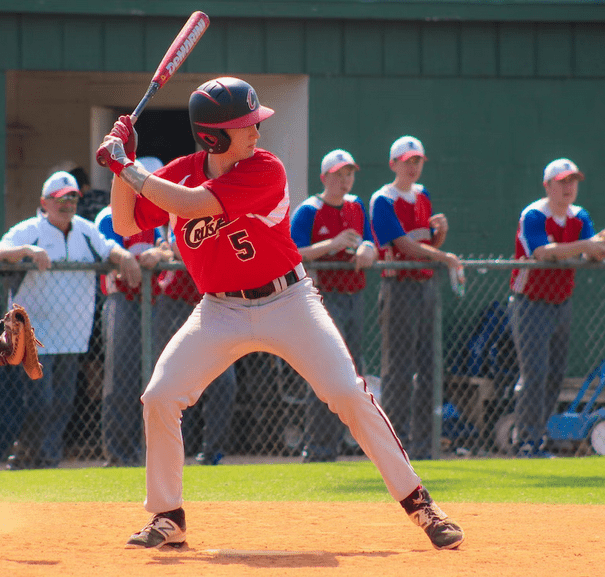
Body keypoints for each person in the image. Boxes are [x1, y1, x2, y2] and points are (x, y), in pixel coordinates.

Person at [96, 76, 464, 551]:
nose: (257, 131)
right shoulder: (179, 171)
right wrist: (117, 164)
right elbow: (126, 222)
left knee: (347, 394)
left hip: (289, 302)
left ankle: (421, 504)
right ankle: (168, 516)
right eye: (246, 125)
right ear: (213, 135)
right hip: (220, 309)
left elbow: (190, 205)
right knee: (161, 396)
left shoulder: (264, 169)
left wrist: (127, 166)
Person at [0, 170, 139, 469]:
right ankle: (27, 456)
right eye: (61, 199)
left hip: (73, 333)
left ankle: (48, 458)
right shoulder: (30, 229)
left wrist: (124, 256)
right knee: (39, 401)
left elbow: (106, 247)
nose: (68, 204)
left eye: (73, 197)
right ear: (44, 202)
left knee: (63, 400)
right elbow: (2, 249)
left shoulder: (86, 230)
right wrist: (26, 250)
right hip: (34, 334)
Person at [370, 135, 462, 460]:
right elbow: (405, 247)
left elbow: (426, 248)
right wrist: (447, 256)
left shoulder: (423, 196)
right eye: (406, 160)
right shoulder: (383, 198)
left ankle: (423, 447)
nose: (412, 166)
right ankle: (393, 447)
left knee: (427, 369)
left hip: (425, 287)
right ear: (393, 163)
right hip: (398, 288)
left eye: (417, 160)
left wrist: (442, 236)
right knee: (398, 370)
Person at [509, 158, 605, 457]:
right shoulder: (535, 214)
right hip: (530, 304)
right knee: (534, 373)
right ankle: (525, 441)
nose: (569, 187)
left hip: (562, 304)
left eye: (572, 181)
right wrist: (586, 246)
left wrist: (596, 246)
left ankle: (540, 438)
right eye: (562, 181)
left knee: (554, 375)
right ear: (547, 185)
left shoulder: (579, 217)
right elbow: (541, 251)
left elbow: (592, 252)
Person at [290, 149, 377, 462]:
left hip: (354, 297)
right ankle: (318, 447)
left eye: (349, 174)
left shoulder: (356, 206)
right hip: (322, 298)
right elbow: (294, 253)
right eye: (339, 174)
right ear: (324, 177)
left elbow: (370, 241)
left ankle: (341, 444)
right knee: (325, 371)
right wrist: (334, 243)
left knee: (350, 372)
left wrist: (368, 249)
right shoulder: (309, 210)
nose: (345, 180)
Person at [95, 159, 172, 466]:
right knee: (121, 380)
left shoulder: (160, 214)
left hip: (155, 303)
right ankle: (119, 455)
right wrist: (126, 256)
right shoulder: (110, 213)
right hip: (122, 301)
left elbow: (171, 247)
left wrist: (161, 252)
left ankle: (150, 453)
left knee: (157, 382)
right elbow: (108, 248)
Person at [155, 225, 238, 466]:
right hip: (175, 304)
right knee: (168, 383)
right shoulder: (180, 208)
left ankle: (212, 452)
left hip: (215, 305)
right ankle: (166, 454)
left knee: (225, 382)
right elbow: (179, 249)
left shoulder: (225, 214)